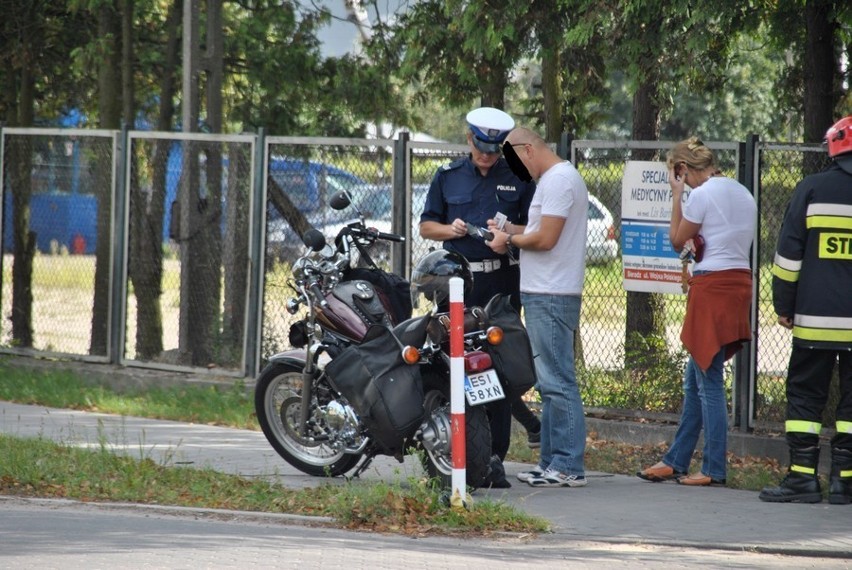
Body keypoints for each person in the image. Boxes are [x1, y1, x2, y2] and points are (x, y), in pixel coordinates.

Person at [419, 107, 538, 488]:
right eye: (482, 149)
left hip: (500, 286)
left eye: (494, 151)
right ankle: (456, 450)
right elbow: (426, 226)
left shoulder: (518, 177)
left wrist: (509, 233)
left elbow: (535, 226)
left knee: (496, 372)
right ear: (469, 139)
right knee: (452, 366)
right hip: (454, 287)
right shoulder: (447, 176)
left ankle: (494, 457)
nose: (487, 157)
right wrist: (449, 230)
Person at [636, 137, 756, 487]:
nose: (683, 182)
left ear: (683, 169)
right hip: (738, 284)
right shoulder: (742, 192)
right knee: (696, 377)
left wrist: (676, 196)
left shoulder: (701, 194)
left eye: (681, 176)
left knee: (709, 382)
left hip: (712, 286)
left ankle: (713, 468)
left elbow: (677, 239)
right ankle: (676, 460)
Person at [486, 127, 589, 488]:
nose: (517, 171)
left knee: (558, 381)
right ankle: (551, 463)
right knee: (549, 382)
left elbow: (545, 239)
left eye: (516, 161)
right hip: (542, 292)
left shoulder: (560, 180)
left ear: (528, 149)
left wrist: (508, 239)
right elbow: (537, 228)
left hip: (552, 293)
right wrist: (506, 228)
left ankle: (568, 465)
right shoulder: (553, 180)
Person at [759, 116, 852, 505]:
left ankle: (802, 479)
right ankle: (845, 482)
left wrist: (784, 305)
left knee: (804, 396)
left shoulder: (811, 189)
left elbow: (787, 259)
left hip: (814, 320)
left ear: (833, 147)